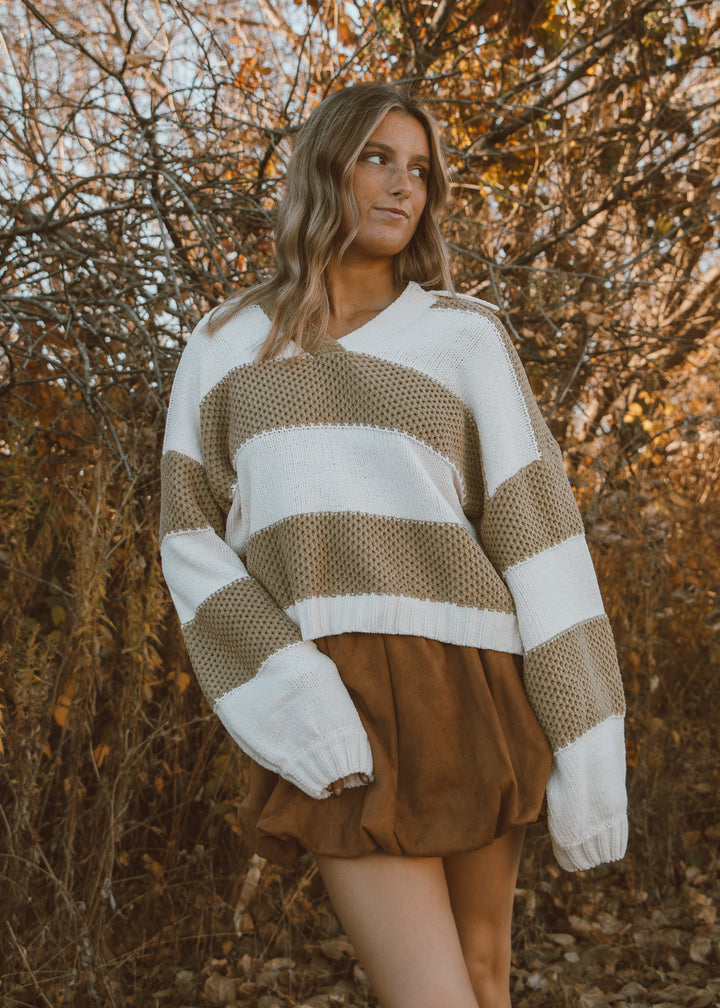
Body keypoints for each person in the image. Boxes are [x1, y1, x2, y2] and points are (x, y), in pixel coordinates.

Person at [160, 82, 628, 1008]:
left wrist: (591, 748)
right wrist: (294, 698)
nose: (402, 185)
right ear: (324, 167)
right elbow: (190, 542)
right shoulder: (227, 347)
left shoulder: (465, 338)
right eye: (376, 157)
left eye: (419, 169)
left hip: (477, 690)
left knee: (486, 982)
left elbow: (541, 541)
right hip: (338, 700)